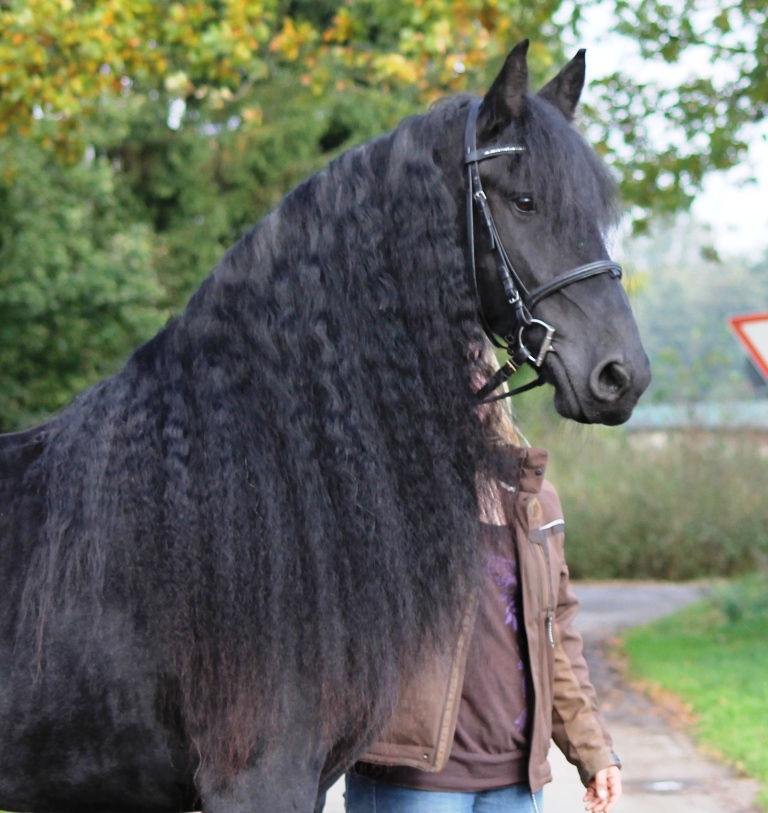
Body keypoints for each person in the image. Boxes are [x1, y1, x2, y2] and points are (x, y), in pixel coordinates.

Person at [344, 347, 622, 813]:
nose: (469, 382)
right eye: (448, 369)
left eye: (477, 368)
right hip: (413, 778)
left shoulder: (536, 501)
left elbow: (555, 640)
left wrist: (593, 751)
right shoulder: (381, 489)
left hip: (514, 781)